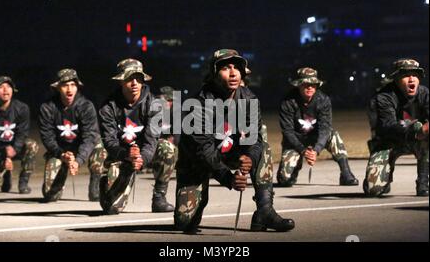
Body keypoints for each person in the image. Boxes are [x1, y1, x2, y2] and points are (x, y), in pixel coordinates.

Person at [174, 49, 295, 233]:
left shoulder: (249, 99)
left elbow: (254, 139)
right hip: (197, 162)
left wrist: (250, 159)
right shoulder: (197, 104)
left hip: (229, 152)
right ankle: (197, 204)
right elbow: (203, 152)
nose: (233, 73)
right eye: (225, 68)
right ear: (213, 74)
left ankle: (265, 211)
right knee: (185, 222)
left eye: (237, 67)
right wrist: (228, 178)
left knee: (263, 148)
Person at [276, 67, 359, 187]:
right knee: (284, 180)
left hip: (315, 137)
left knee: (333, 135)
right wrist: (303, 151)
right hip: (296, 140)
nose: (310, 87)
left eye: (313, 84)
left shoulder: (323, 100)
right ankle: (294, 170)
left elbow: (325, 128)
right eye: (306, 84)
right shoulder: (288, 101)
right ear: (298, 85)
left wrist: (316, 150)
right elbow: (287, 131)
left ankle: (346, 173)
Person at [98, 58, 160, 215]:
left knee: (168, 149)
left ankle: (159, 198)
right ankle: (106, 185)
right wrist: (126, 154)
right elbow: (109, 141)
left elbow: (151, 139)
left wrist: (142, 159)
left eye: (138, 78)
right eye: (129, 78)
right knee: (111, 209)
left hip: (143, 153)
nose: (134, 83)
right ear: (120, 81)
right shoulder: (108, 106)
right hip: (120, 154)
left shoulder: (154, 104)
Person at [364, 58, 428, 197]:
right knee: (374, 190)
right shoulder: (384, 96)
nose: (412, 79)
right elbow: (387, 126)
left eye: (415, 75)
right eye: (406, 75)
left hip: (418, 141)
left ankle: (423, 183)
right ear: (396, 78)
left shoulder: (425, 94)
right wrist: (416, 131)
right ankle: (384, 178)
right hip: (389, 142)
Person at [39, 69, 103, 202]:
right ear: (57, 87)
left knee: (98, 146)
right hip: (60, 149)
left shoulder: (86, 106)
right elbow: (47, 137)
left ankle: (95, 186)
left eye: (73, 85)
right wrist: (61, 154)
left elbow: (89, 137)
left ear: (77, 87)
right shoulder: (47, 107)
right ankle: (58, 181)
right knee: (50, 196)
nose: (69, 89)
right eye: (65, 85)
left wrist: (78, 160)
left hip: (81, 146)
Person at [0, 76, 38, 194]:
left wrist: (14, 149)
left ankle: (23, 182)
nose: (5, 90)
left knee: (32, 145)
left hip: (14, 146)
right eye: (1, 87)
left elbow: (22, 133)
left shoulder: (22, 108)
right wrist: (2, 160)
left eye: (8, 87)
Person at [149, 86, 179, 212]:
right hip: (147, 149)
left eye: (166, 100)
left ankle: (159, 197)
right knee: (112, 206)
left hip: (168, 151)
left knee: (168, 148)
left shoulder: (177, 115)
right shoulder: (152, 111)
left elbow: (177, 139)